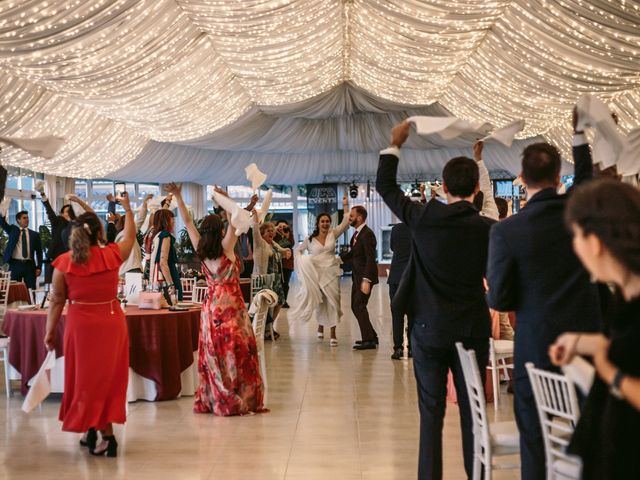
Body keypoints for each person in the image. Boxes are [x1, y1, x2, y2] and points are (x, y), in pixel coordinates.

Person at [376, 122, 498, 480]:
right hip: (473, 328)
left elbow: (385, 186)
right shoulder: (487, 227)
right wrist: (480, 162)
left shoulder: (423, 216)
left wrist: (394, 146)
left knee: (431, 416)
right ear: (476, 189)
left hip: (428, 330)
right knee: (473, 414)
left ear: (442, 188)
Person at [486, 118, 603, 479]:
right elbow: (586, 178)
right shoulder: (577, 213)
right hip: (587, 345)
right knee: (595, 435)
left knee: (534, 439)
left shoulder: (506, 231)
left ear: (521, 178)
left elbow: (500, 299)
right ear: (557, 178)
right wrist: (579, 135)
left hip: (535, 348)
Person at [548, 179, 640, 479]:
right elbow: (628, 348)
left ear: (596, 242)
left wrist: (608, 372)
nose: (574, 247)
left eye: (575, 236)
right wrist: (577, 342)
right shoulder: (624, 296)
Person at [43, 192, 136, 457]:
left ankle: (104, 433)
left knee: (84, 379)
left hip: (80, 326)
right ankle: (94, 430)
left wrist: (49, 332)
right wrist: (128, 210)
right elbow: (130, 236)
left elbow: (56, 301)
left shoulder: (64, 264)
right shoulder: (112, 254)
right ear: (99, 233)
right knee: (107, 379)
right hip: (111, 322)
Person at [165, 183, 266, 415]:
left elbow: (188, 222)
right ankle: (236, 394)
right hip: (230, 307)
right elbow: (233, 219)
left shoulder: (200, 247)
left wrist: (179, 196)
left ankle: (215, 394)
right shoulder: (226, 247)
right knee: (236, 352)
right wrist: (226, 199)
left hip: (210, 309)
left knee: (214, 353)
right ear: (220, 230)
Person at [293, 196, 350, 346]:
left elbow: (345, 223)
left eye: (327, 221)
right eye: (322, 221)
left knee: (334, 302)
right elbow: (298, 251)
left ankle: (333, 332)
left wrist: (345, 205)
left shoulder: (333, 233)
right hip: (317, 274)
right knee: (321, 302)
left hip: (332, 272)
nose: (325, 223)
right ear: (317, 224)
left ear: (329, 223)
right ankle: (320, 326)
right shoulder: (310, 239)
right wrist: (304, 261)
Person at [339, 205, 379, 350]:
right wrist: (338, 259)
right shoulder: (357, 234)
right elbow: (354, 253)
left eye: (352, 216)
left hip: (364, 277)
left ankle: (369, 340)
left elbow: (370, 258)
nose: (349, 218)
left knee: (358, 306)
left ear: (359, 218)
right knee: (356, 306)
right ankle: (372, 336)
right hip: (357, 276)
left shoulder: (367, 234)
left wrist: (366, 279)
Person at [252, 219, 292, 339]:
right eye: (268, 231)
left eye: (272, 231)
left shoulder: (273, 243)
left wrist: (286, 251)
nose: (271, 233)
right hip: (265, 278)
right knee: (267, 306)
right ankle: (266, 329)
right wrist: (255, 222)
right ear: (262, 234)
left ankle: (269, 326)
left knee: (280, 302)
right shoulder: (260, 244)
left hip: (276, 278)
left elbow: (282, 249)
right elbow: (255, 233)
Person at [388, 220, 412, 360]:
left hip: (396, 276)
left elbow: (392, 248)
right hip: (412, 276)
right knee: (413, 314)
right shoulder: (419, 228)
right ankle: (411, 349)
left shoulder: (396, 228)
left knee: (397, 314)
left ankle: (398, 348)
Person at [0, 210, 43, 289]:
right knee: (13, 289)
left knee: (31, 290)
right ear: (18, 220)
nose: (27, 220)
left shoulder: (34, 234)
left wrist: (39, 267)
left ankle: (31, 302)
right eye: (24, 218)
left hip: (29, 266)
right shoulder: (13, 230)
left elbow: (39, 252)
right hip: (15, 265)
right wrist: (3, 210)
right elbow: (2, 223)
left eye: (27, 218)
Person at [114, 194, 152, 276]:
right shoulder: (128, 232)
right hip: (132, 268)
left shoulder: (118, 236)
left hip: (122, 270)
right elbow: (140, 219)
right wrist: (145, 203)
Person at [274, 219, 295, 308]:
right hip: (277, 263)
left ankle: (284, 301)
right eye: (280, 226)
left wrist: (286, 236)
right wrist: (276, 230)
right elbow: (276, 245)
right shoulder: (275, 235)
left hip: (288, 263)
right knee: (278, 283)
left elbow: (291, 244)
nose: (282, 228)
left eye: (284, 227)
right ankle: (278, 300)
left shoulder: (289, 234)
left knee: (285, 283)